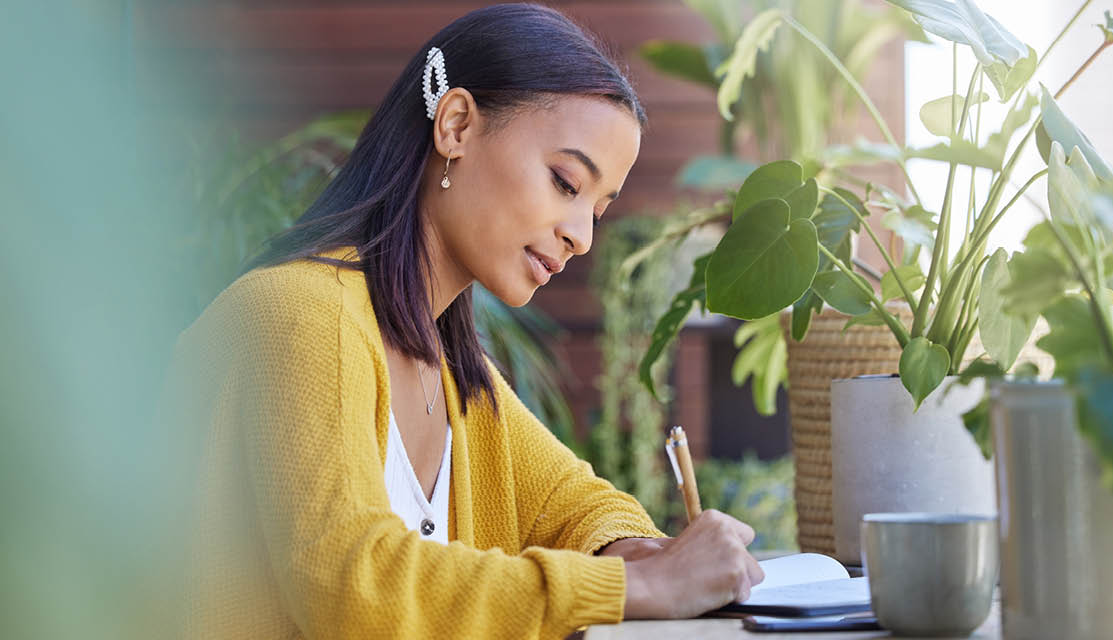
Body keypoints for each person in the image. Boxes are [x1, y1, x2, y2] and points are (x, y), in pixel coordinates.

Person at [163, 4, 763, 639]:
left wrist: (635, 553)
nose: (582, 235)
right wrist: (636, 585)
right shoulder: (300, 315)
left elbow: (579, 505)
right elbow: (352, 587)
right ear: (455, 125)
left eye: (599, 207)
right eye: (565, 182)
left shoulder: (454, 371)